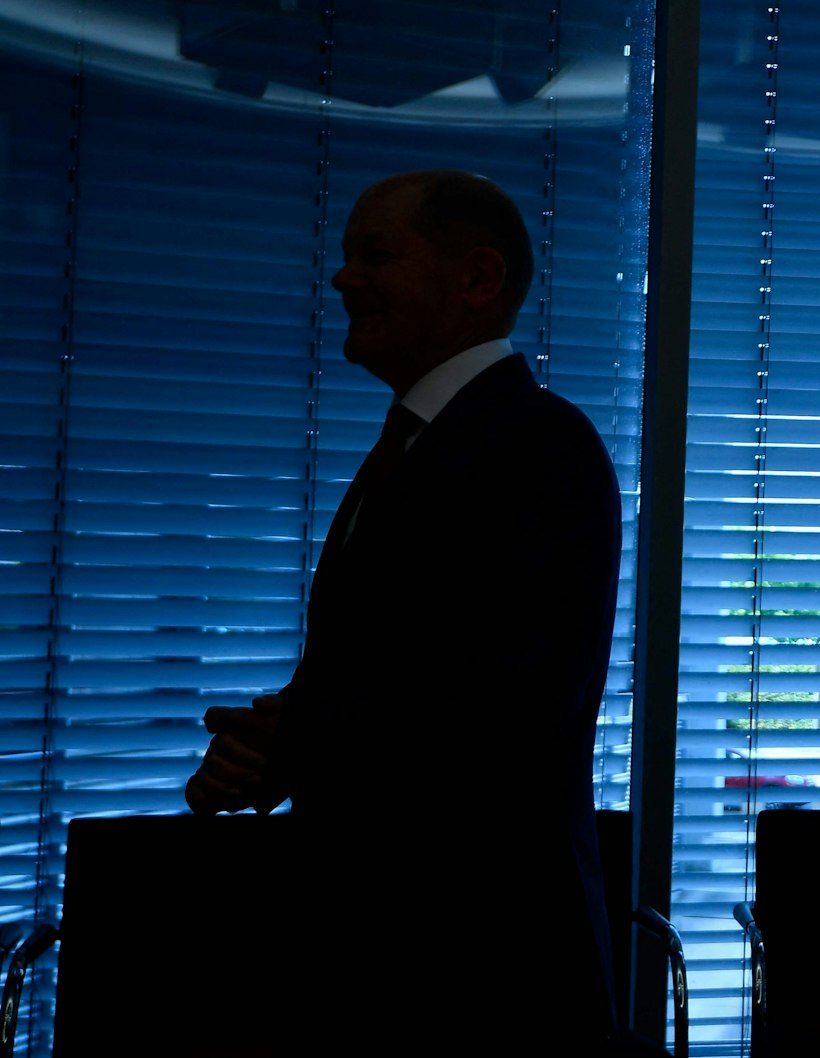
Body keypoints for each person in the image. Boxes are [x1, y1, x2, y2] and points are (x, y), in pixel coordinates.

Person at [184, 170, 625, 1052]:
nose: (344, 278)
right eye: (348, 256)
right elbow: (390, 662)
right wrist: (266, 753)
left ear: (477, 278)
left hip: (485, 969)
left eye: (376, 255)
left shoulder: (544, 446)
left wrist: (297, 739)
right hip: (388, 956)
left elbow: (506, 708)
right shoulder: (415, 442)